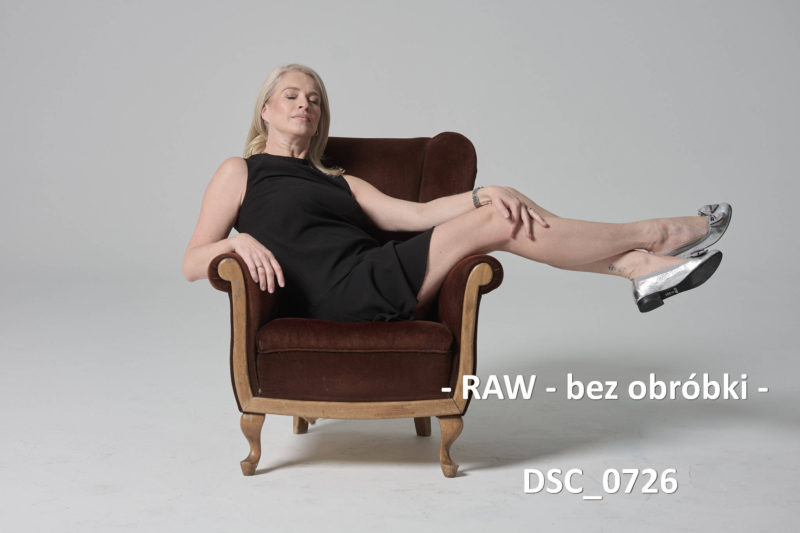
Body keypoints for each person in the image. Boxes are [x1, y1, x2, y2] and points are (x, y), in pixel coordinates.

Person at [182, 63, 731, 318]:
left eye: (315, 99)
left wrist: (483, 192)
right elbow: (190, 262)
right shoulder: (241, 172)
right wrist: (236, 242)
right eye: (292, 95)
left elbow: (416, 215)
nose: (305, 104)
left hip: (377, 269)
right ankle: (657, 235)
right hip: (340, 295)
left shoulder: (339, 179)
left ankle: (639, 267)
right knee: (502, 216)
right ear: (265, 109)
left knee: (504, 207)